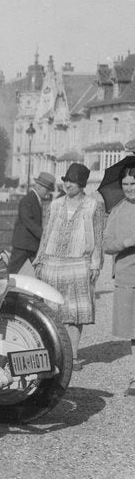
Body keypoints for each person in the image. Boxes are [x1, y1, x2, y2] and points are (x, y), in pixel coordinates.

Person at [34, 163, 104, 368]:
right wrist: (39, 259)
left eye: (72, 181)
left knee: (75, 313)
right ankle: (54, 354)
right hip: (52, 263)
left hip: (79, 264)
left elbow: (98, 237)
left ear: (82, 184)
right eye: (66, 181)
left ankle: (72, 356)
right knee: (51, 311)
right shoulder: (55, 205)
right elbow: (46, 234)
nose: (67, 185)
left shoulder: (93, 206)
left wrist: (96, 264)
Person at [102, 167, 135, 395]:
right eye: (126, 185)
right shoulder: (117, 210)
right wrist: (126, 242)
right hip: (127, 278)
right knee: (133, 331)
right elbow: (106, 245)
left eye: (133, 184)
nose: (129, 189)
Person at [7, 171, 56, 274]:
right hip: (23, 245)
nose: (48, 193)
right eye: (47, 190)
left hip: (30, 244)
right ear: (39, 187)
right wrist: (44, 235)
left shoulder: (35, 200)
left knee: (40, 271)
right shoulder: (27, 200)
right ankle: (5, 285)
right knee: (12, 272)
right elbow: (29, 222)